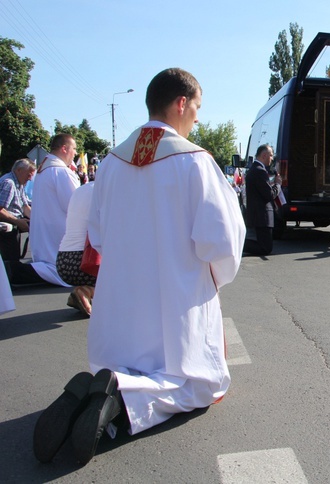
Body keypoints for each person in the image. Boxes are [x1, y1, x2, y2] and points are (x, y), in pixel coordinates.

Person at [33, 68, 246, 465]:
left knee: (128, 361)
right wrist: (212, 276)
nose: (197, 118)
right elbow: (221, 240)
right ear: (181, 102)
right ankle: (122, 392)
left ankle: (107, 383)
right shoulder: (195, 161)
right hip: (176, 300)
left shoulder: (111, 164)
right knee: (199, 385)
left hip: (121, 301)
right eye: (197, 107)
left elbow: (98, 234)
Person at [8, 134, 80, 286]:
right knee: (55, 269)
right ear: (64, 148)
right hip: (58, 235)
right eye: (74, 149)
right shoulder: (61, 172)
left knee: (46, 267)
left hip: (46, 232)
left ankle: (10, 271)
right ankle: (9, 271)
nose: (75, 153)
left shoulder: (43, 171)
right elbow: (76, 207)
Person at [56, 182, 97, 316]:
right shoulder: (108, 190)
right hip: (86, 260)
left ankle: (89, 291)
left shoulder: (82, 189)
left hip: (64, 260)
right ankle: (89, 290)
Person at [243, 144, 281, 256]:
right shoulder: (259, 171)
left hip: (259, 216)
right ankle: (238, 244)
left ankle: (240, 243)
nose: (272, 159)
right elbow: (269, 194)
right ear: (264, 155)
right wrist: (278, 185)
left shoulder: (255, 169)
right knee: (265, 248)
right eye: (271, 155)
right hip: (261, 216)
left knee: (265, 246)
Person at [0, 158, 35, 261]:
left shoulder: (18, 183)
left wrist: (36, 221)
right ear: (19, 170)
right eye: (28, 175)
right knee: (10, 263)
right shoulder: (9, 183)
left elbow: (24, 206)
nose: (29, 179)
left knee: (14, 261)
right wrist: (18, 222)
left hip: (12, 227)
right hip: (5, 231)